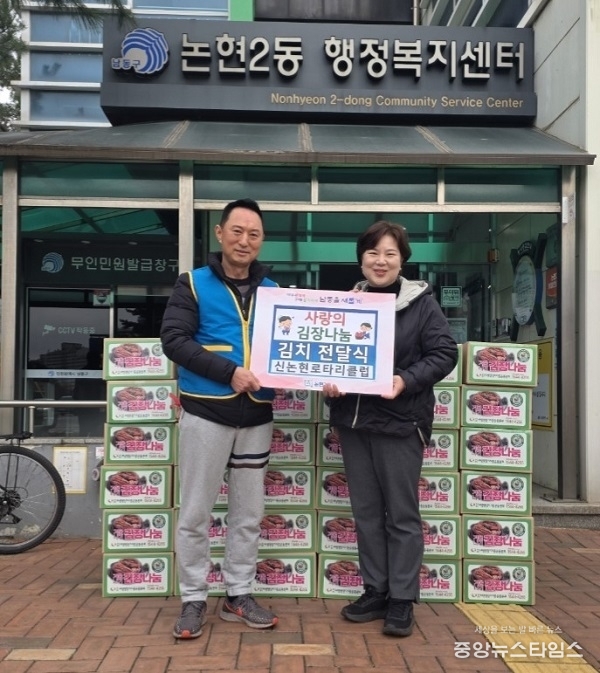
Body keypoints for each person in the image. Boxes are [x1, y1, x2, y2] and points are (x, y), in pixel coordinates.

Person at [322, 220, 457, 638]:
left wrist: (404, 380)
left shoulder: (422, 305)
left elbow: (444, 353)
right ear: (361, 259)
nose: (380, 261)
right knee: (365, 513)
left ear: (402, 261)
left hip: (400, 423)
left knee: (401, 514)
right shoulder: (344, 304)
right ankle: (375, 590)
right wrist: (328, 382)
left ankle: (401, 598)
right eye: (373, 253)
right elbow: (329, 356)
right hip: (354, 422)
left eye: (390, 254)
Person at [160, 198, 279, 639]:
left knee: (248, 513)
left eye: (254, 234)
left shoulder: (276, 292)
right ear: (220, 233)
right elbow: (174, 340)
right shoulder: (192, 283)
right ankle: (193, 598)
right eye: (237, 231)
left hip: (257, 416)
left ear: (261, 240)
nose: (244, 240)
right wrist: (229, 372)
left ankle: (238, 595)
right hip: (206, 412)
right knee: (195, 512)